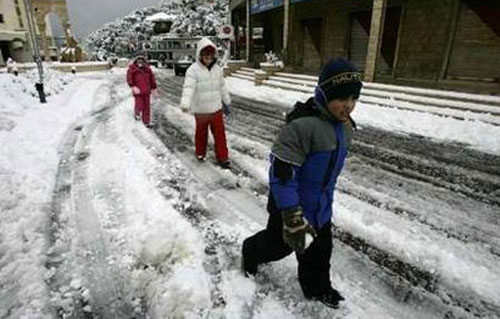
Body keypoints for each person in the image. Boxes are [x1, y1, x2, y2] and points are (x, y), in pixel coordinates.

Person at [241, 58, 363, 309]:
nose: (348, 106)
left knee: (319, 253)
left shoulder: (345, 127)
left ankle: (318, 290)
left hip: (320, 208)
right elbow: (282, 175)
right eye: (341, 99)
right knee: (277, 248)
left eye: (353, 98)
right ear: (324, 95)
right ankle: (250, 250)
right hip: (290, 207)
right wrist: (291, 213)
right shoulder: (302, 128)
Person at [180, 37, 231, 168]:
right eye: (205, 55)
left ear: (214, 56)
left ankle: (223, 157)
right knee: (201, 134)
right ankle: (200, 152)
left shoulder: (217, 69)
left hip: (216, 109)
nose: (208, 58)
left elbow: (222, 87)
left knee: (220, 135)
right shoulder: (193, 70)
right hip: (201, 110)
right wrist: (185, 103)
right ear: (200, 55)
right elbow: (188, 88)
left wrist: (227, 101)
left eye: (210, 55)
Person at [126, 54, 157, 128]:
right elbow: (129, 78)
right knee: (140, 104)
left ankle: (146, 121)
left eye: (142, 61)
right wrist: (133, 86)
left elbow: (152, 78)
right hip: (138, 91)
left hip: (147, 91)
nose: (140, 63)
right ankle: (137, 113)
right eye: (138, 61)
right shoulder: (132, 69)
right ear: (136, 61)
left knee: (147, 107)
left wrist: (154, 88)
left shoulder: (148, 70)